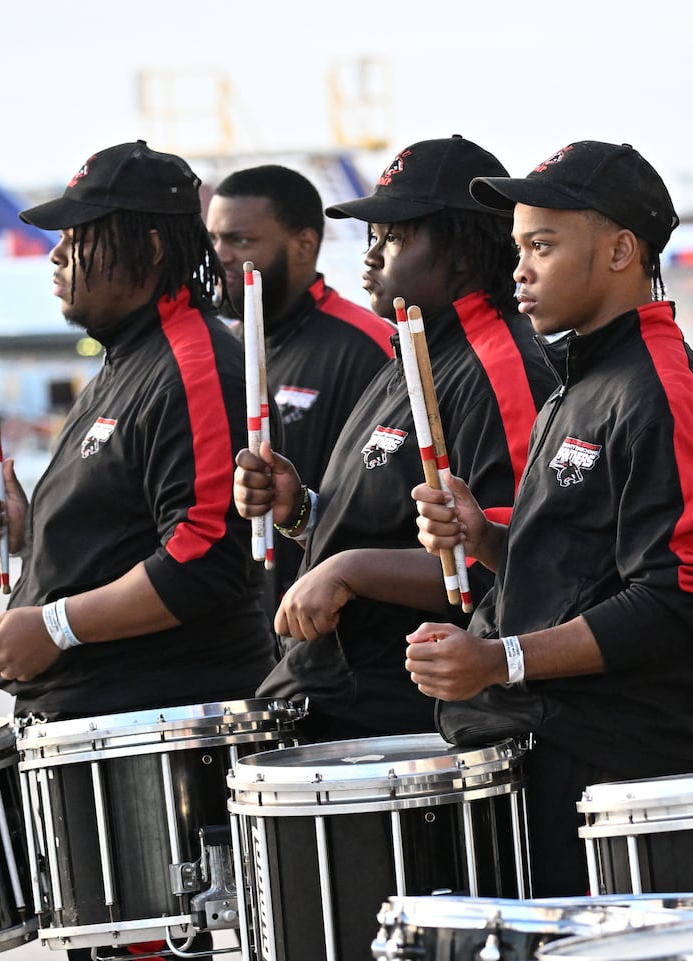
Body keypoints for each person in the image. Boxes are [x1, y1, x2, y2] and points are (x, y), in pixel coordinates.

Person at [0, 139, 273, 961]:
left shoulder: (190, 356)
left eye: (79, 237)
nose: (57, 257)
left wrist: (53, 625)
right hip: (97, 743)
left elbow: (207, 556)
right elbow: (125, 541)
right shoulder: (124, 361)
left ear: (143, 249)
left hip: (146, 752)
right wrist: (32, 536)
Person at [408, 140, 693, 895]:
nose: (518, 267)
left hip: (596, 765)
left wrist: (500, 659)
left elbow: (677, 598)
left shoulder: (656, 384)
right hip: (534, 741)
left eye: (542, 245)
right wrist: (486, 536)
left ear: (622, 249)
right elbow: (581, 570)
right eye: (517, 246)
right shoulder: (583, 372)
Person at [232, 136, 556, 742]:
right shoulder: (410, 350)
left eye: (394, 237)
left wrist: (351, 569)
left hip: (396, 724)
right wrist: (299, 510)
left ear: (460, 248)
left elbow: (513, 566)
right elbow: (383, 526)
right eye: (372, 238)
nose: (370, 257)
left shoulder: (500, 364)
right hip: (327, 695)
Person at [207, 165, 393, 602]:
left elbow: (386, 507)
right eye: (213, 239)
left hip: (331, 621)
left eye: (240, 239)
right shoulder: (226, 348)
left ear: (305, 244)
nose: (221, 255)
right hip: (247, 627)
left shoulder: (369, 346)